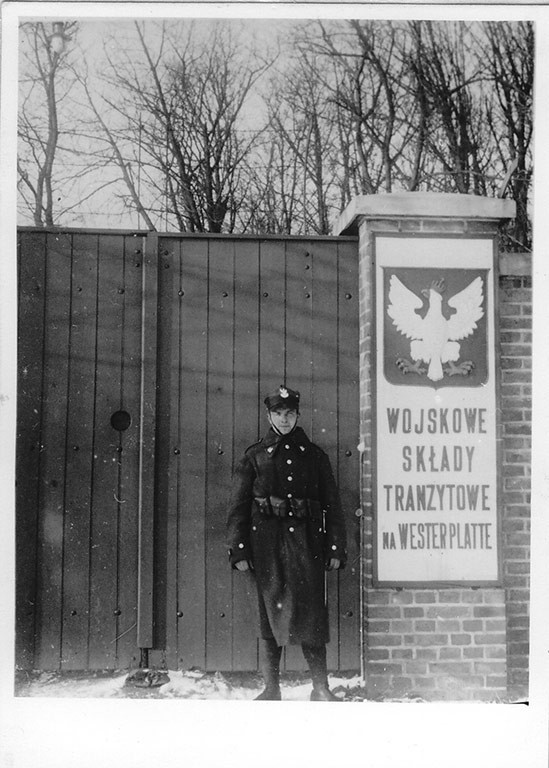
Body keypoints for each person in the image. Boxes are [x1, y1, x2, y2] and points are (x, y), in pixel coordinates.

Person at [226, 384, 347, 701]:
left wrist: (335, 548)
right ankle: (271, 688)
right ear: (269, 415)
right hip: (266, 547)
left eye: (289, 413)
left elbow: (332, 504)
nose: (284, 419)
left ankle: (320, 688)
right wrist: (239, 549)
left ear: (298, 414)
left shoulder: (315, 457)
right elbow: (238, 507)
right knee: (268, 615)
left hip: (307, 545)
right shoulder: (254, 457)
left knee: (312, 616)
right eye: (278, 414)